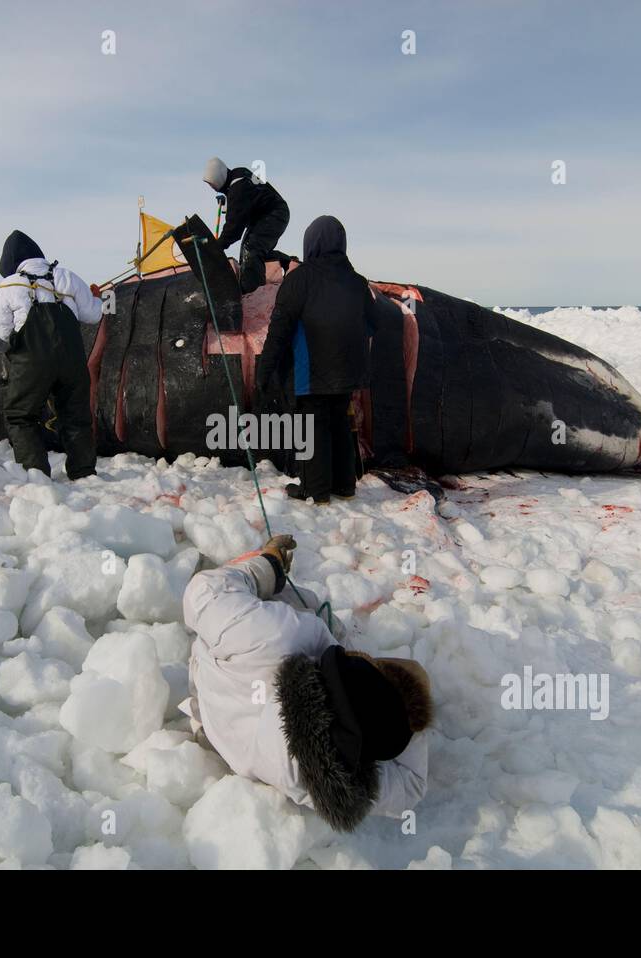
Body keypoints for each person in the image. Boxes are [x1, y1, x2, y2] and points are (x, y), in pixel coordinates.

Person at [182, 534, 431, 832]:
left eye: (376, 663)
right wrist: (405, 724)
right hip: (233, 733)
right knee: (415, 679)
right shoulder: (325, 781)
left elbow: (203, 591)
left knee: (301, 601)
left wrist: (269, 566)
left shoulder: (279, 636)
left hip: (219, 672)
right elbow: (411, 786)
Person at [254, 215, 374, 503]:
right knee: (341, 424)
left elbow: (279, 331)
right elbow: (373, 323)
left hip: (312, 371)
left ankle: (314, 490)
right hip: (347, 371)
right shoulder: (357, 283)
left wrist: (264, 371)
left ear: (311, 243)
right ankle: (345, 486)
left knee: (313, 428)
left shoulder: (300, 281)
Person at [0, 229, 103, 480]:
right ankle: (84, 472)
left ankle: (37, 475)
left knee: (21, 416)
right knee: (75, 415)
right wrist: (96, 299)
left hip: (31, 362)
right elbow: (93, 315)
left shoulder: (9, 285)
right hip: (72, 360)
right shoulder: (68, 277)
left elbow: (1, 330)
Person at [202, 156, 290, 294]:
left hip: (274, 214)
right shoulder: (237, 178)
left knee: (251, 250)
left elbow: (234, 227)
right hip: (267, 214)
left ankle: (253, 294)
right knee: (250, 251)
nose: (212, 188)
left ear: (218, 177)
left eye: (212, 183)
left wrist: (217, 247)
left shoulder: (238, 187)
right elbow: (239, 210)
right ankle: (287, 262)